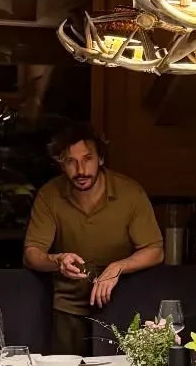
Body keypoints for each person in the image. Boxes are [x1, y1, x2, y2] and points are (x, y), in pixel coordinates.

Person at [23, 123, 164, 351]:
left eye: (87, 159)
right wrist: (57, 260)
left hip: (122, 303)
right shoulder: (49, 194)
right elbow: (31, 255)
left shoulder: (130, 193)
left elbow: (155, 251)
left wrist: (117, 267)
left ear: (101, 159)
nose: (80, 170)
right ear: (61, 164)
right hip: (67, 307)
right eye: (71, 161)